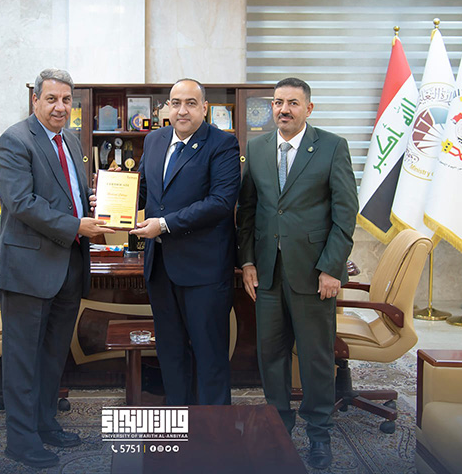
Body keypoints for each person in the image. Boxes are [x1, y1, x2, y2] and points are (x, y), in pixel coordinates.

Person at [0, 68, 113, 469]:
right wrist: (76, 225)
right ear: (35, 100)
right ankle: (20, 440)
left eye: (66, 100)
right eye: (51, 99)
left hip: (68, 267)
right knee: (23, 359)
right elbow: (21, 203)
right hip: (28, 270)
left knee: (52, 355)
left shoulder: (71, 140)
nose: (60, 107)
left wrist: (92, 201)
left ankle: (45, 424)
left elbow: (68, 195)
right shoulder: (15, 140)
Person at [236, 77, 358, 470]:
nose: (283, 109)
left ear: (309, 108)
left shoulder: (332, 146)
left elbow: (345, 214)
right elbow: (248, 211)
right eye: (277, 102)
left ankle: (319, 433)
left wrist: (331, 268)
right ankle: (278, 428)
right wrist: (248, 261)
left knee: (315, 358)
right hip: (267, 273)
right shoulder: (257, 148)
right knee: (270, 355)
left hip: (314, 275)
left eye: (292, 103)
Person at [129, 78, 241, 405]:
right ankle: (178, 420)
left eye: (191, 103)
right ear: (167, 107)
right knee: (170, 352)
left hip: (204, 271)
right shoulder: (154, 140)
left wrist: (164, 225)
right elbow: (146, 193)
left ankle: (213, 429)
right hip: (161, 269)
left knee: (209, 356)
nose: (182, 110)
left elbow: (220, 202)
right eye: (176, 103)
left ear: (204, 108)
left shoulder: (222, 144)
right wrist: (111, 202)